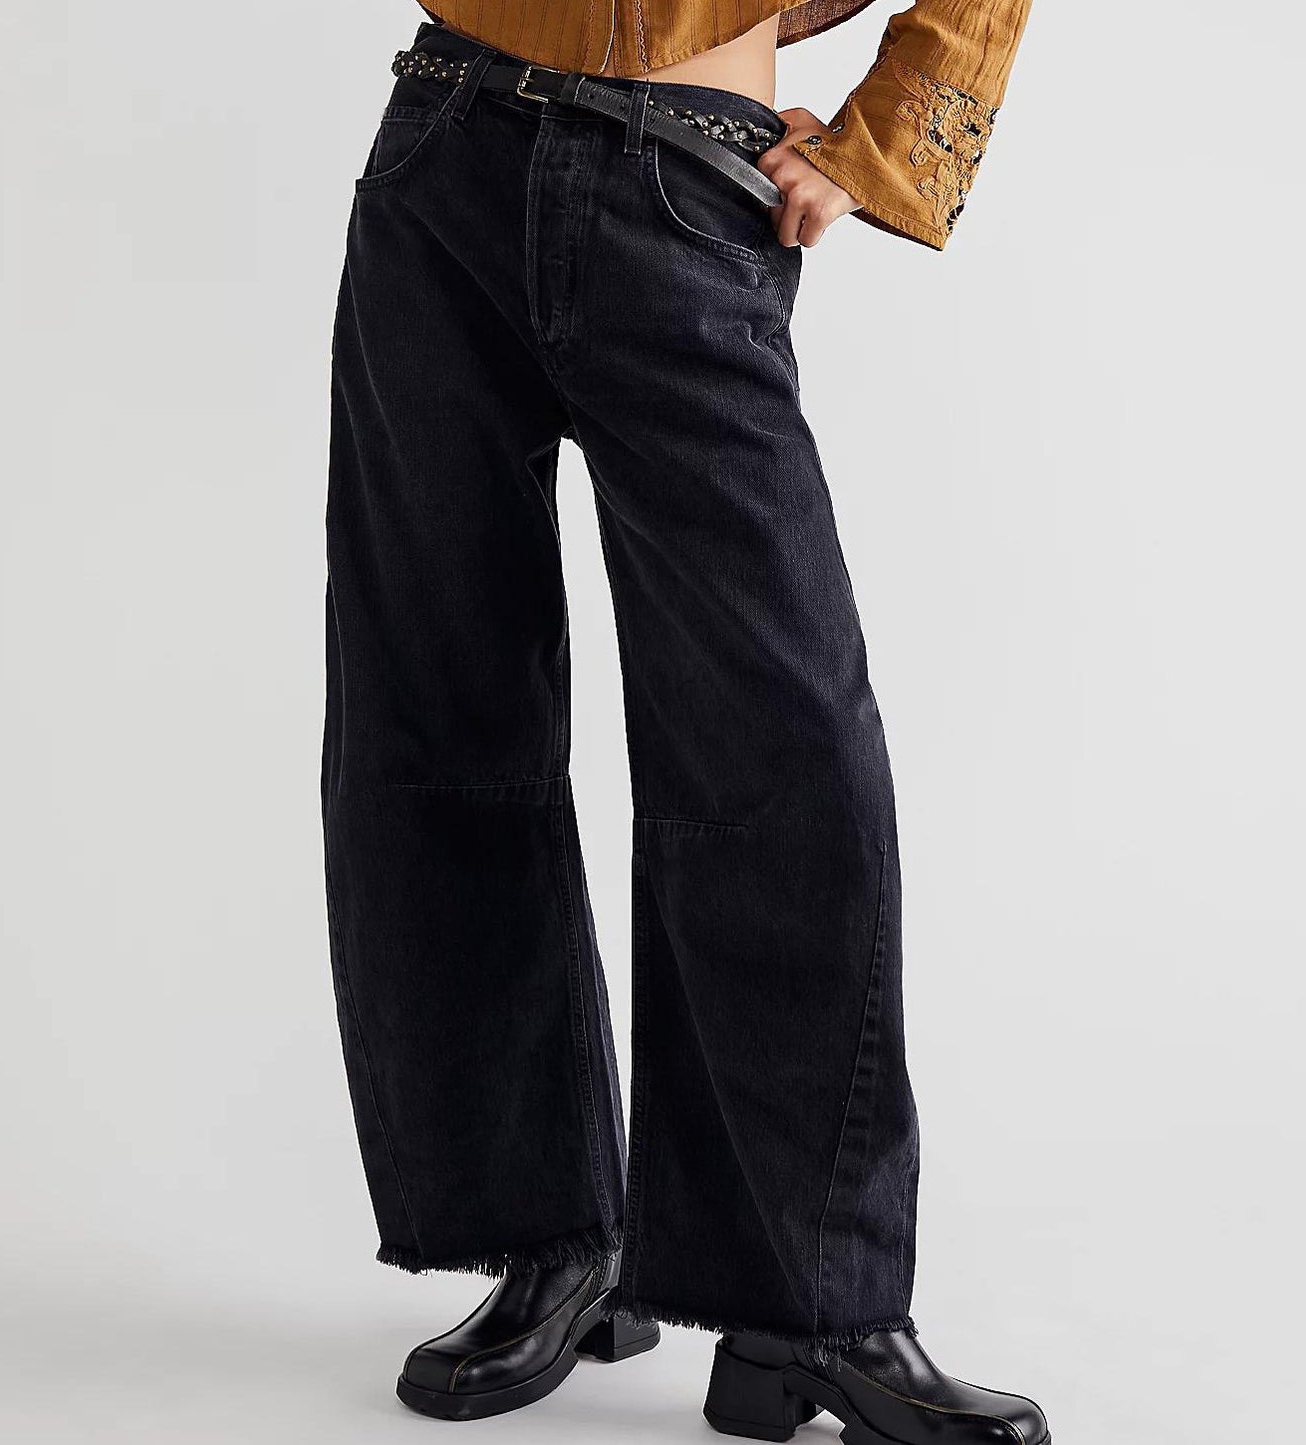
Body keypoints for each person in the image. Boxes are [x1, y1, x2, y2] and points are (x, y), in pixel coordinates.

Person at [320, 2, 1047, 1440]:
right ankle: (547, 1239)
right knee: (435, 717)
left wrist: (888, 137)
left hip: (687, 174)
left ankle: (812, 1307)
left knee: (785, 752)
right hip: (442, 144)